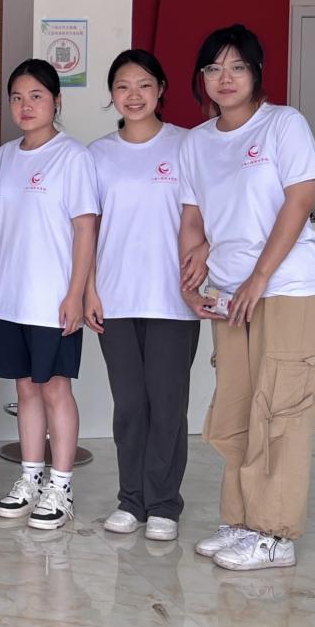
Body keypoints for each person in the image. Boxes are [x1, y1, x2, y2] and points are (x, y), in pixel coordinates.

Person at [179, 24, 315, 571]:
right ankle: (241, 520)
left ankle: (274, 534)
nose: (225, 78)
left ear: (256, 72)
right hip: (229, 296)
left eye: (237, 67)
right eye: (214, 68)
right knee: (238, 407)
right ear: (201, 78)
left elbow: (300, 201)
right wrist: (190, 280)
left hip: (286, 290)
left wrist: (260, 277)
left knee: (281, 408)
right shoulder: (197, 142)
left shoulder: (283, 124)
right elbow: (192, 218)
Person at [86, 50, 200, 543]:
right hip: (115, 297)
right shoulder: (97, 154)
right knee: (130, 404)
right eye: (122, 86)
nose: (133, 95)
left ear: (161, 89)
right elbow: (87, 230)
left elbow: (205, 216)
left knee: (167, 404)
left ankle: (164, 504)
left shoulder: (188, 145)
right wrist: (89, 288)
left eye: (144, 85)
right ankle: (131, 500)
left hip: (173, 298)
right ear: (111, 94)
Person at [0, 59, 98, 531]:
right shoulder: (2, 157)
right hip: (10, 297)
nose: (25, 105)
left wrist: (76, 294)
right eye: (17, 97)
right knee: (25, 388)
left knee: (55, 388)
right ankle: (30, 478)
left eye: (36, 96)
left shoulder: (72, 157)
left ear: (56, 100)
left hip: (53, 297)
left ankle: (61, 486)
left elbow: (85, 229)